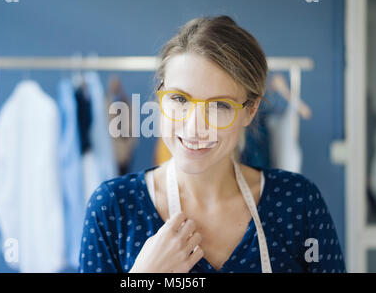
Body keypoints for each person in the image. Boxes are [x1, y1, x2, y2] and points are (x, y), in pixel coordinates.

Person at [78, 15, 346, 273]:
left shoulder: (298, 203)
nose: (195, 127)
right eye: (180, 99)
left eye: (219, 105)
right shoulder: (113, 207)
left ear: (250, 110)